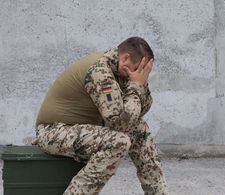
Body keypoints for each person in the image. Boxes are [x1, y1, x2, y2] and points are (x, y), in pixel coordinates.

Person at [33, 37, 168, 195]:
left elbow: (140, 111)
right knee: (118, 142)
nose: (138, 76)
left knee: (140, 130)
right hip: (53, 132)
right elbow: (119, 123)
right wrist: (136, 86)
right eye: (137, 69)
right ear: (125, 58)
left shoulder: (122, 70)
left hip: (82, 129)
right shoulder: (100, 71)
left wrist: (140, 84)